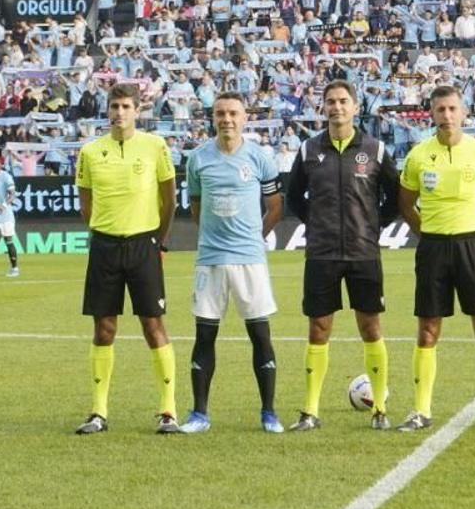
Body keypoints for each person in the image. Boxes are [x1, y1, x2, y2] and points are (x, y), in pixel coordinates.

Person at [284, 80, 400, 431]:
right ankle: (310, 411)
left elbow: (393, 197)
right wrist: (317, 224)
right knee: (318, 329)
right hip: (321, 254)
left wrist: (371, 226)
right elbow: (293, 198)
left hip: (364, 253)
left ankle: (380, 408)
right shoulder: (308, 150)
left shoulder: (375, 150)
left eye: (343, 101)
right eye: (331, 101)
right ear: (323, 107)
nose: (337, 107)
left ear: (355, 106)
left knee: (371, 327)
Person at [396, 86, 475, 432]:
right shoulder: (418, 155)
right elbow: (406, 203)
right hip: (432, 247)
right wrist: (427, 232)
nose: (447, 116)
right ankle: (421, 410)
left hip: (471, 246)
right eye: (440, 110)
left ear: (463, 113)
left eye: (452, 109)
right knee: (428, 331)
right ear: (430, 114)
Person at [73, 83, 181, 435]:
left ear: (137, 111)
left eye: (126, 106)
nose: (120, 113)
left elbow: (170, 201)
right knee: (104, 329)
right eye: (114, 106)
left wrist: (156, 241)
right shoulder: (90, 151)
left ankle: (168, 411)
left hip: (143, 246)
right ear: (108, 111)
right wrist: (103, 230)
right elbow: (85, 204)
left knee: (153, 325)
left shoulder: (155, 146)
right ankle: (98, 412)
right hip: (104, 247)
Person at [180, 93, 285, 434]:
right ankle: (199, 413)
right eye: (221, 113)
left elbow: (275, 207)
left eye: (233, 113)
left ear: (244, 118)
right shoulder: (197, 159)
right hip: (210, 259)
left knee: (260, 334)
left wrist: (256, 237)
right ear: (213, 118)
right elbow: (196, 207)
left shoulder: (260, 157)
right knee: (204, 335)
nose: (227, 119)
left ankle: (269, 413)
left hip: (249, 260)